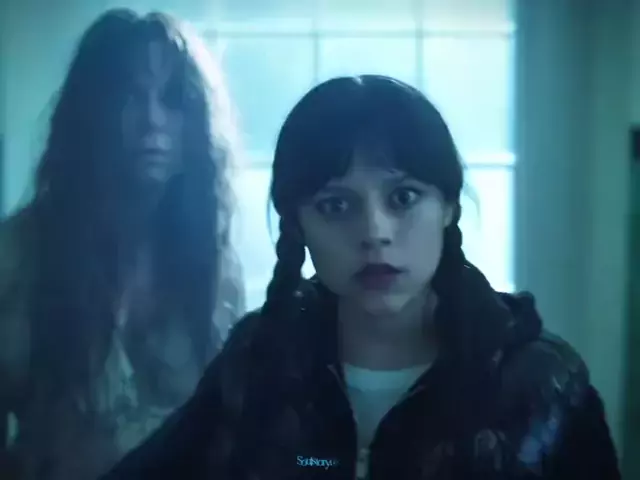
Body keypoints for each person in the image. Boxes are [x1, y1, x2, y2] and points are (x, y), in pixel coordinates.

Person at [101, 75, 620, 480]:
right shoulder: (260, 359)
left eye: (403, 198)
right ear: (298, 224)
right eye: (336, 205)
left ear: (448, 207)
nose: (374, 232)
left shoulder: (541, 383)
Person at [0, 9, 245, 480]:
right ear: (89, 114)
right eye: (129, 97)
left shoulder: (213, 266)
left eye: (172, 99)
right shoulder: (18, 257)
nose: (152, 121)